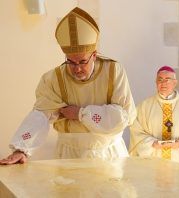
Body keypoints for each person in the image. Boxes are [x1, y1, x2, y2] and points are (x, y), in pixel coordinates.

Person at [0, 7, 136, 165]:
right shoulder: (54, 78)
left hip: (109, 154)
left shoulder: (113, 71)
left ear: (94, 55)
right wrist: (21, 149)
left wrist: (81, 113)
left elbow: (122, 117)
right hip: (70, 153)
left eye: (82, 62)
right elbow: (40, 115)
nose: (77, 68)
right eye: (70, 62)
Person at [129, 66, 179, 167]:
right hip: (153, 159)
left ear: (175, 83)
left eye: (167, 80)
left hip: (178, 160)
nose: (163, 83)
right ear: (156, 82)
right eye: (160, 80)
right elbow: (136, 131)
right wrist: (152, 143)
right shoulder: (144, 106)